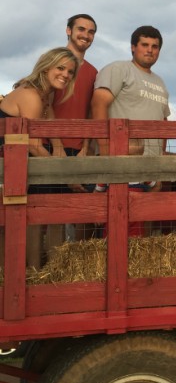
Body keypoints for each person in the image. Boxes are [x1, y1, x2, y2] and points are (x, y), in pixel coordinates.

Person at [0, 47, 78, 267]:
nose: (65, 74)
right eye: (60, 68)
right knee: (18, 217)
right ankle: (29, 271)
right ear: (46, 67)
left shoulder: (44, 93)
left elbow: (49, 112)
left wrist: (57, 145)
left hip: (15, 159)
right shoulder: (31, 95)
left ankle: (36, 268)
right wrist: (61, 170)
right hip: (5, 162)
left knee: (37, 207)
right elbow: (32, 144)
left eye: (70, 72)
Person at [91, 25, 170, 237]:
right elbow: (99, 104)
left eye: (155, 46)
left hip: (150, 166)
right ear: (133, 47)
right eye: (144, 45)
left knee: (141, 230)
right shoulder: (119, 69)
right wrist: (107, 151)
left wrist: (160, 164)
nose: (150, 50)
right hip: (122, 162)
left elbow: (162, 123)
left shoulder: (160, 82)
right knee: (116, 229)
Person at [49, 14, 99, 245]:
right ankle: (37, 271)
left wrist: (86, 149)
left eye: (91, 32)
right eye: (81, 29)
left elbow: (90, 113)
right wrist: (57, 145)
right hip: (50, 146)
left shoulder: (92, 72)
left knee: (79, 214)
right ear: (68, 30)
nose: (85, 35)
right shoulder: (54, 62)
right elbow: (45, 104)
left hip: (79, 150)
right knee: (46, 216)